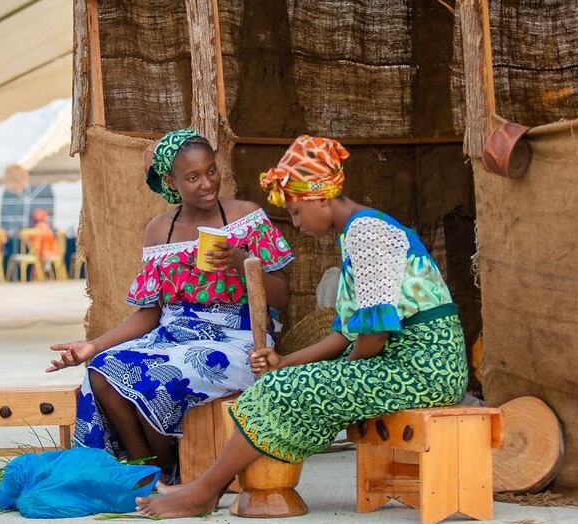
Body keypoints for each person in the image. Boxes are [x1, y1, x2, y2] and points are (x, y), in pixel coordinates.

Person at [137, 136, 468, 517]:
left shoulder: (368, 233)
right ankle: (213, 490)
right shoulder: (354, 235)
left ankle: (204, 491)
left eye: (295, 212)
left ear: (321, 197)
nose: (296, 223)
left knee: (286, 392)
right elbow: (345, 334)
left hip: (426, 370)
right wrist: (287, 361)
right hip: (402, 365)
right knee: (281, 383)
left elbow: (373, 337)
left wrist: (332, 372)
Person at [46, 128, 294, 484]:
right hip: (171, 335)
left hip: (238, 338)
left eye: (211, 170)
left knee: (160, 376)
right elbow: (150, 312)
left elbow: (283, 295)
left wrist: (242, 262)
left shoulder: (247, 218)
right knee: (101, 371)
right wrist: (93, 346)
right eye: (192, 177)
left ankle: (166, 474)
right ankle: (147, 468)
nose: (207, 183)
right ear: (171, 181)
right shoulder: (159, 231)